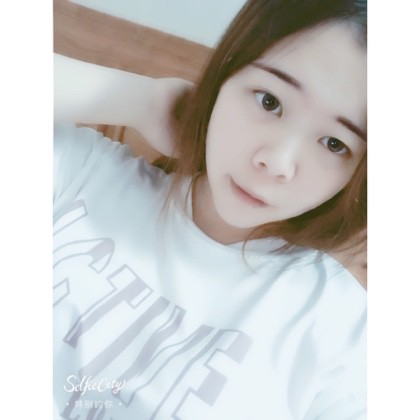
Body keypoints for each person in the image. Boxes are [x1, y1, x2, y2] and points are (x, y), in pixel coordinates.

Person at [53, 0, 367, 419]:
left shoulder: (342, 329)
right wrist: (141, 100)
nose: (276, 162)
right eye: (269, 101)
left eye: (334, 144)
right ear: (225, 74)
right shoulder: (82, 176)